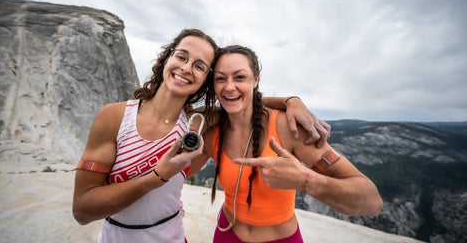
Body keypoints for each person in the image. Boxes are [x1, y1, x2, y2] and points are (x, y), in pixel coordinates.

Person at [72, 29, 330, 242]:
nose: (186, 68)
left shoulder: (199, 123)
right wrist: (155, 178)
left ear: (205, 80)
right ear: (167, 58)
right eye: (182, 57)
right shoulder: (115, 117)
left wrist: (291, 100)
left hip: (172, 236)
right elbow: (82, 210)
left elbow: (245, 98)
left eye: (199, 66)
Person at [202, 45, 383, 243]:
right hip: (226, 234)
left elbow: (372, 201)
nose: (229, 87)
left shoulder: (288, 128)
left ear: (256, 79)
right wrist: (289, 100)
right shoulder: (212, 130)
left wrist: (307, 181)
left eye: (239, 77)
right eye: (221, 78)